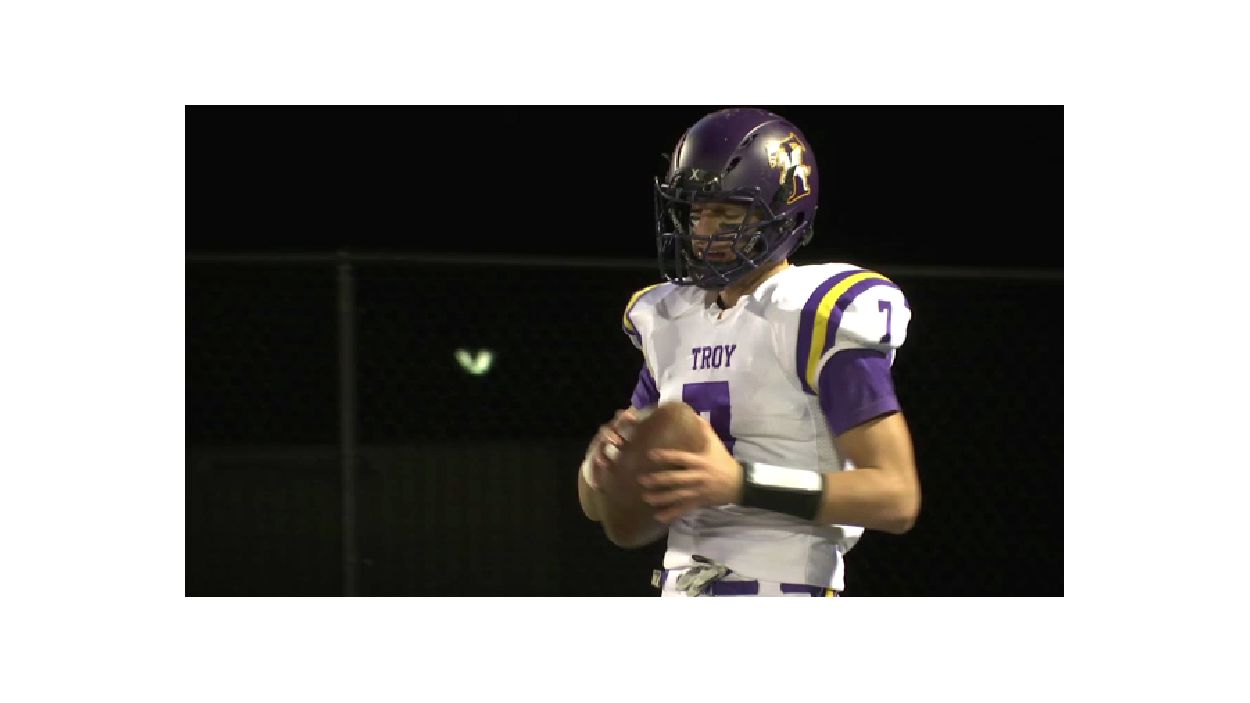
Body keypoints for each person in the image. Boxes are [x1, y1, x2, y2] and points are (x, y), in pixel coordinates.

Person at [576, 107, 920, 597]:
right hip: (681, 587)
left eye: (728, 212)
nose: (705, 230)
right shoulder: (670, 320)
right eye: (696, 212)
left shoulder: (813, 314)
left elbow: (896, 496)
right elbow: (601, 505)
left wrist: (740, 484)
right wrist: (601, 468)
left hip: (786, 587)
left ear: (783, 210)